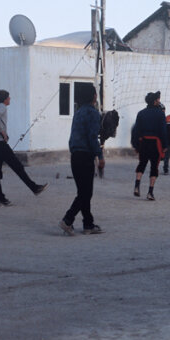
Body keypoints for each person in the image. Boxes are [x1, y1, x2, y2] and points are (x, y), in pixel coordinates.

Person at [0, 89, 47, 206]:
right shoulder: (2, 108)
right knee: (17, 166)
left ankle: (2, 199)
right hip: (0, 144)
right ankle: (34, 188)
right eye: (9, 97)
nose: (10, 99)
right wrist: (2, 133)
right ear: (5, 99)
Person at [58, 83, 103, 235]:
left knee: (84, 191)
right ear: (93, 96)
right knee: (85, 193)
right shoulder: (93, 113)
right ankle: (67, 220)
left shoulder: (78, 112)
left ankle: (88, 224)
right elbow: (92, 137)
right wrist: (100, 156)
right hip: (85, 156)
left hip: (75, 155)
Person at [132, 92, 167, 200]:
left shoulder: (141, 113)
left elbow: (136, 130)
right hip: (155, 142)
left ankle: (137, 186)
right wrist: (165, 145)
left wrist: (136, 145)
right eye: (158, 99)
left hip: (144, 142)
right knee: (154, 167)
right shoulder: (160, 114)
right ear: (155, 101)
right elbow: (163, 131)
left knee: (142, 163)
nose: (159, 101)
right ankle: (150, 192)